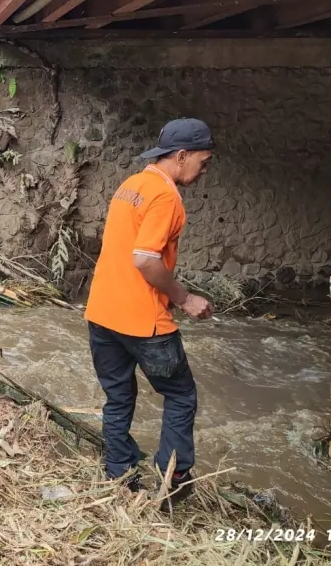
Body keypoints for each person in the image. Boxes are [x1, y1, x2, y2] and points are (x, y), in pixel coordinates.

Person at [84, 118, 214, 506]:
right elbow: (144, 259)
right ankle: (171, 481)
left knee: (119, 396)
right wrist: (184, 298)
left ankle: (119, 476)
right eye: (203, 161)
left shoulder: (130, 186)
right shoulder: (165, 196)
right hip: (144, 322)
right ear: (181, 155)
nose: (204, 170)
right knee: (181, 395)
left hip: (102, 314)